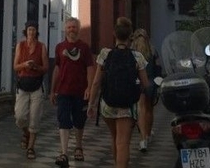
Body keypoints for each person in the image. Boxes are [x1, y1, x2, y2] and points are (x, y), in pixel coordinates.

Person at [86, 17, 150, 168]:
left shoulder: (105, 54)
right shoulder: (137, 57)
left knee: (114, 137)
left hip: (108, 104)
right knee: (123, 142)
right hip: (127, 106)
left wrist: (91, 104)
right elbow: (146, 84)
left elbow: (96, 82)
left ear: (114, 34)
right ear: (130, 37)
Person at [49, 17, 94, 167]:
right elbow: (57, 68)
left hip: (80, 91)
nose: (71, 30)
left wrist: (89, 87)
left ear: (78, 29)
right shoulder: (59, 47)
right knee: (63, 120)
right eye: (69, 27)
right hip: (63, 91)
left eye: (74, 27)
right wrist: (52, 90)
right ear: (65, 29)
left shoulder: (85, 48)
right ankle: (64, 153)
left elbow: (89, 68)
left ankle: (79, 147)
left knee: (79, 121)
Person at [13, 20, 48, 160]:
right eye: (29, 30)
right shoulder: (20, 46)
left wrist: (36, 67)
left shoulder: (42, 47)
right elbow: (15, 67)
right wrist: (25, 65)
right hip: (22, 86)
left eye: (33, 30)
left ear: (36, 32)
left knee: (34, 118)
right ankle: (26, 133)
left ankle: (31, 147)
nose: (31, 32)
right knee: (20, 117)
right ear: (26, 32)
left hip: (36, 87)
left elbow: (45, 68)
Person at [131, 28, 161, 152]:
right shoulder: (153, 50)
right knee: (149, 109)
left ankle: (143, 139)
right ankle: (148, 134)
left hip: (138, 83)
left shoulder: (132, 52)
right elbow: (158, 67)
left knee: (141, 109)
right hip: (151, 82)